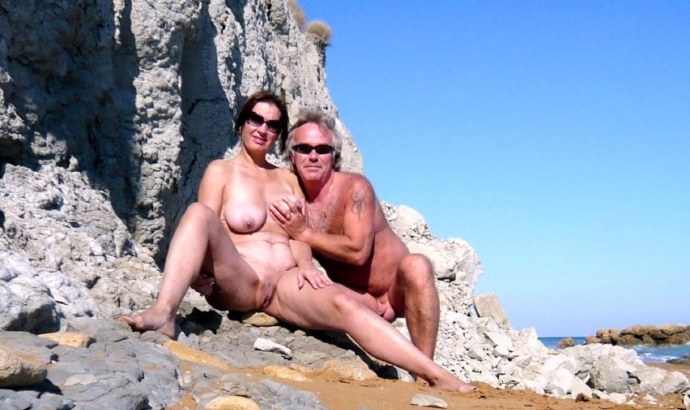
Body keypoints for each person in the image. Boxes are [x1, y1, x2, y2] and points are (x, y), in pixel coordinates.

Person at [122, 91, 475, 392]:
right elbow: (206, 228)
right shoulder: (221, 171)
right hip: (243, 277)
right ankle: (164, 313)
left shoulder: (288, 179)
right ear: (241, 123)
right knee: (198, 212)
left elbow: (298, 232)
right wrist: (202, 273)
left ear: (279, 135)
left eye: (273, 125)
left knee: (344, 304)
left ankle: (434, 375)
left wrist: (306, 265)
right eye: (256, 119)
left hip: (287, 283)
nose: (263, 129)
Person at [269, 111, 441, 360]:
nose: (313, 156)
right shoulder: (294, 197)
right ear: (291, 156)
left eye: (323, 149)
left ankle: (426, 371)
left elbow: (358, 251)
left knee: (417, 265)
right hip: (356, 297)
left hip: (397, 291)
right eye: (304, 148)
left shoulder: (355, 188)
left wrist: (304, 232)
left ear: (334, 156)